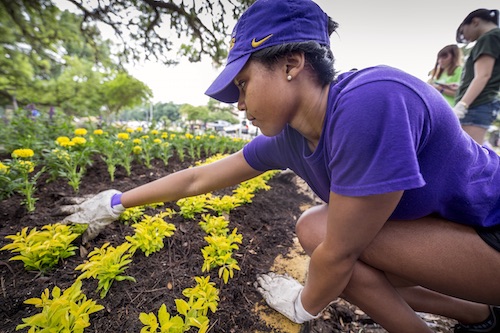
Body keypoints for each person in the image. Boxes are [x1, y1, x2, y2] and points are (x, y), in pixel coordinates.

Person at [58, 1, 500, 332]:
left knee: (329, 248)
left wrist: (304, 305)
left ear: (291, 64)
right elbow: (198, 177)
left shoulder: (371, 101)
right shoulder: (289, 137)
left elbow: (340, 253)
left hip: (490, 233)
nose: (241, 105)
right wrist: (114, 201)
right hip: (455, 241)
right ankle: (479, 315)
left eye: (244, 85)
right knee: (317, 234)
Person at [454, 8, 500, 144]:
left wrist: (463, 105)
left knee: (468, 156)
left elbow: (483, 75)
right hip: (479, 104)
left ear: (475, 22)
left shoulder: (489, 37)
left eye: (463, 32)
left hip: (477, 104)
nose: (465, 39)